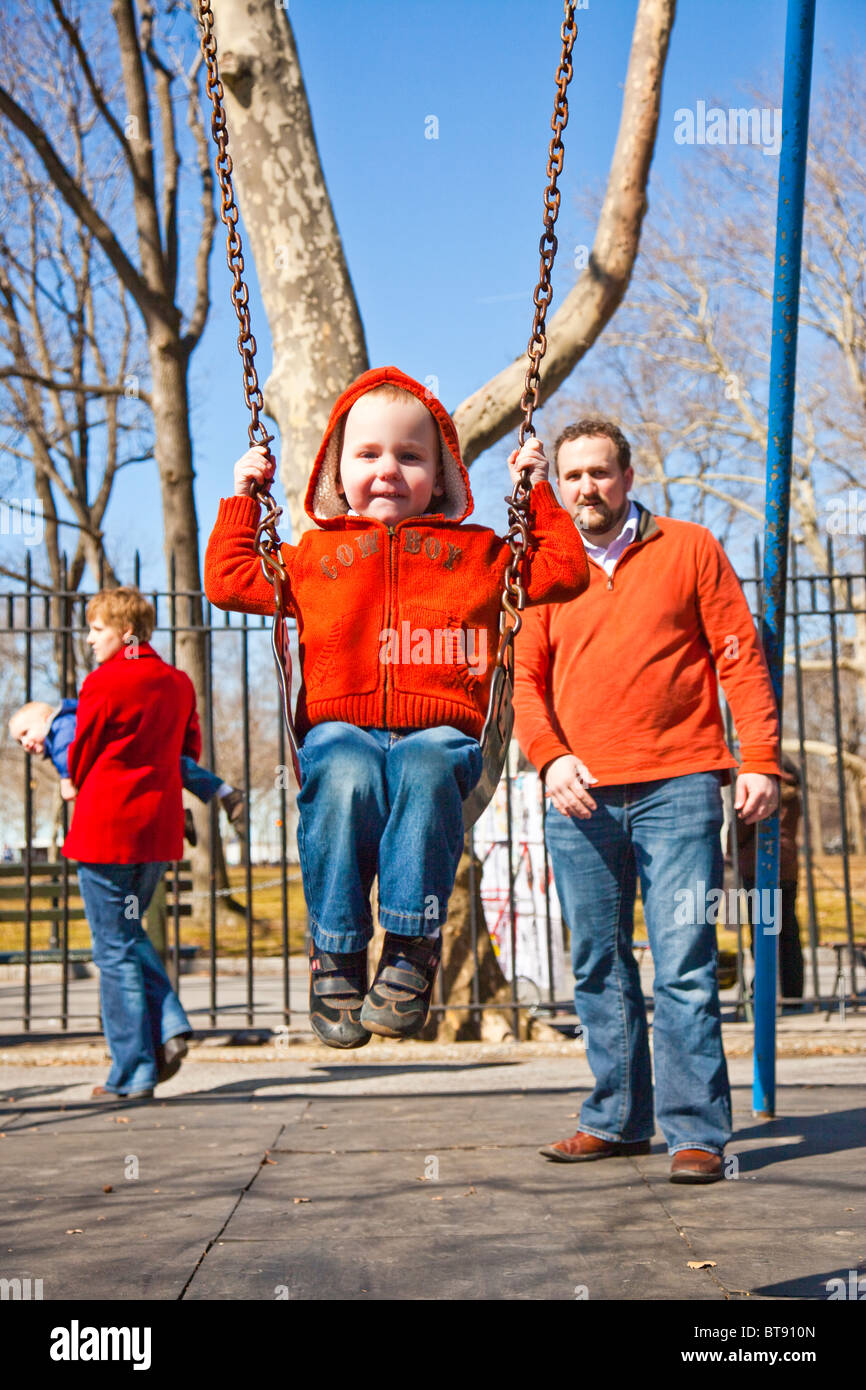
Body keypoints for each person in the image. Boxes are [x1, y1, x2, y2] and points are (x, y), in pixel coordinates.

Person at [204, 366, 589, 1049]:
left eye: (411, 456)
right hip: (340, 725)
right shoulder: (318, 556)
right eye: (369, 454)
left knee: (426, 765)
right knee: (344, 774)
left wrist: (536, 491)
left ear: (441, 477)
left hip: (438, 726)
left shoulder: (476, 554)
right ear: (336, 471)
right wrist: (244, 498)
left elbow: (562, 570)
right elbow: (228, 580)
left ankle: (411, 947)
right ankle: (339, 952)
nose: (388, 470)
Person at [513, 418, 781, 1183]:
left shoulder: (690, 547)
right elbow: (524, 682)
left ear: (628, 477)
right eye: (572, 477)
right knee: (597, 962)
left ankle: (695, 1131)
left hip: (682, 783)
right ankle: (618, 1118)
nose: (586, 488)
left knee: (685, 962)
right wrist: (549, 757)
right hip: (580, 794)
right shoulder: (543, 569)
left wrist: (759, 758)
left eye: (600, 473)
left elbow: (739, 654)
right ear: (557, 487)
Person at [60, 586, 199, 1101]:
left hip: (105, 829)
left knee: (112, 949)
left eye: (97, 629)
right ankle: (168, 1027)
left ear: (125, 633)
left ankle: (133, 1069)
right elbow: (191, 750)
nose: (90, 639)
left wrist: (70, 780)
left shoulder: (103, 682)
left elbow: (82, 753)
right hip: (157, 832)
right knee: (128, 934)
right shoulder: (178, 683)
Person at [10, 700, 247, 844]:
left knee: (173, 767)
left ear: (45, 718)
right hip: (123, 767)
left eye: (25, 733)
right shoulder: (58, 733)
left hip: (129, 756)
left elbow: (66, 751)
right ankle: (181, 817)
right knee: (154, 786)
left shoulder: (60, 726)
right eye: (20, 743)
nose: (25, 744)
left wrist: (66, 778)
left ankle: (221, 794)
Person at [736, 754, 804, 1002]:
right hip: (787, 865)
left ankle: (763, 989)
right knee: (788, 930)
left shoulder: (760, 790)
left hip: (759, 864)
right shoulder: (794, 795)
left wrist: (734, 848)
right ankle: (793, 991)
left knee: (762, 929)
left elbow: (742, 829)